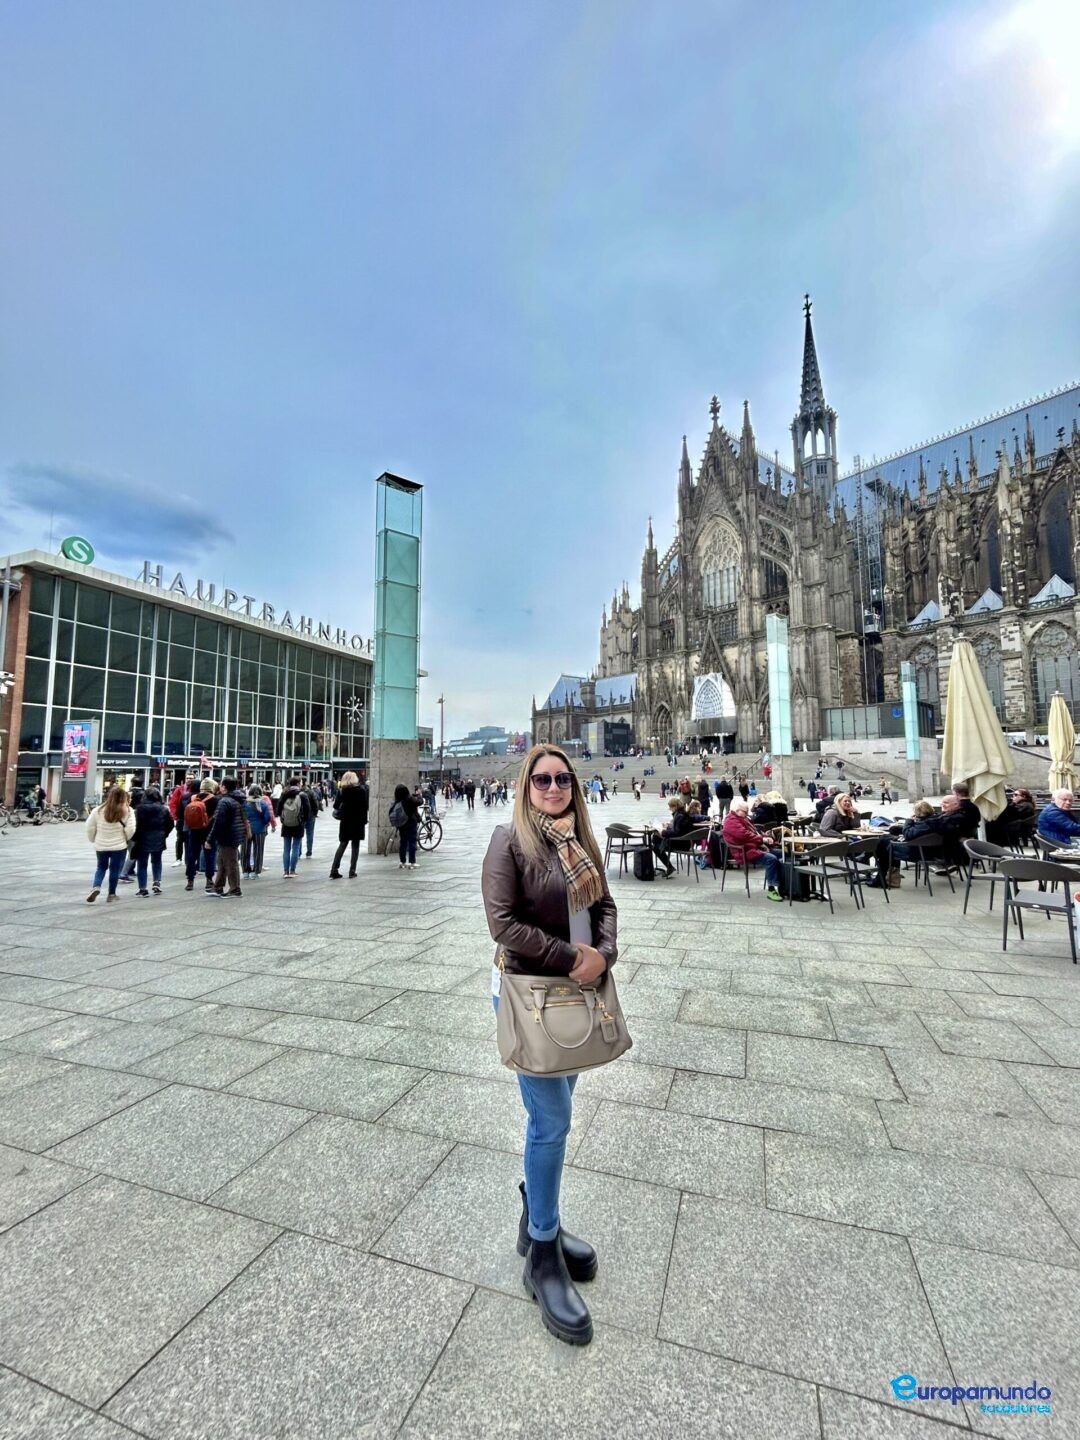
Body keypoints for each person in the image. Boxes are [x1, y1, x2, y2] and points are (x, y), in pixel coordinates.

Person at [481, 743, 617, 1349]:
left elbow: (605, 906)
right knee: (552, 1121)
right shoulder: (509, 841)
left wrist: (603, 955)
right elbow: (503, 922)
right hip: (532, 994)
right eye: (543, 779)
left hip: (577, 1000)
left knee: (552, 1119)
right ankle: (541, 1252)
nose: (554, 787)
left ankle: (541, 1220)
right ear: (525, 785)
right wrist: (572, 957)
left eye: (563, 778)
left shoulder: (581, 840)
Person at [721, 798, 784, 899]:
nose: (747, 814)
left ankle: (784, 887)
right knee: (771, 859)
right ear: (737, 810)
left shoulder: (742, 818)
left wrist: (765, 837)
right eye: (745, 812)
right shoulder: (731, 821)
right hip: (744, 851)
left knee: (782, 854)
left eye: (747, 812)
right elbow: (744, 835)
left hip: (754, 848)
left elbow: (753, 833)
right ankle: (772, 889)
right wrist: (762, 840)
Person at [85, 786, 136, 903]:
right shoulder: (128, 810)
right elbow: (131, 829)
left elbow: (89, 827)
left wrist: (93, 839)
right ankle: (111, 894)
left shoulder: (97, 810)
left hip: (101, 845)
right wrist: (126, 838)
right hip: (119, 846)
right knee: (114, 869)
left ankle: (96, 886)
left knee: (101, 867)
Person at [207, 777, 246, 897]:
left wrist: (210, 839)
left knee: (230, 862)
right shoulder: (238, 799)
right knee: (222, 861)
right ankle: (218, 886)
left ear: (224, 786)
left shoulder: (224, 801)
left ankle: (235, 889)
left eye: (221, 785)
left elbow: (219, 822)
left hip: (228, 835)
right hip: (236, 833)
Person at [131, 786, 173, 897]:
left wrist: (134, 837)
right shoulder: (163, 808)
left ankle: (143, 888)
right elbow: (170, 824)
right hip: (158, 837)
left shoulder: (139, 809)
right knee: (157, 861)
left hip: (142, 838)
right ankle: (157, 882)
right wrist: (164, 834)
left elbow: (135, 825)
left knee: (142, 864)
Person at [330, 769, 369, 878]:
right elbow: (365, 807)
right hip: (358, 821)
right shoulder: (361, 790)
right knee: (355, 846)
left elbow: (336, 806)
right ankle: (352, 871)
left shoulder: (342, 791)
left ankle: (334, 869)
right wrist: (364, 821)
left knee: (342, 844)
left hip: (345, 821)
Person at [279, 776, 310, 877]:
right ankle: (292, 871)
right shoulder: (302, 795)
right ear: (297, 784)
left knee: (286, 848)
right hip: (298, 824)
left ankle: (285, 871)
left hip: (286, 824)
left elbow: (278, 809)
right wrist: (303, 821)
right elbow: (307, 811)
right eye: (300, 783)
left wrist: (283, 819)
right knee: (296, 847)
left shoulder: (284, 794)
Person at [243, 783, 274, 876]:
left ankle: (245, 871)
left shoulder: (245, 803)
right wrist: (264, 823)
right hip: (260, 830)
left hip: (246, 829)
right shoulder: (263, 803)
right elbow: (268, 817)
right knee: (258, 850)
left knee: (245, 850)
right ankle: (256, 871)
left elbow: (242, 816)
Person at [393, 782, 422, 869]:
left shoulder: (397, 800)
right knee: (412, 842)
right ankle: (412, 863)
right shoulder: (409, 798)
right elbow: (419, 802)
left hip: (402, 824)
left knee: (403, 842)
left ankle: (402, 862)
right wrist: (419, 795)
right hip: (411, 823)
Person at [301, 779, 321, 858]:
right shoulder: (311, 792)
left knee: (299, 834)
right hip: (310, 814)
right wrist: (315, 813)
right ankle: (309, 851)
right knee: (310, 833)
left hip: (300, 815)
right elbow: (315, 803)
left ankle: (298, 852)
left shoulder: (298, 791)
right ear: (305, 782)